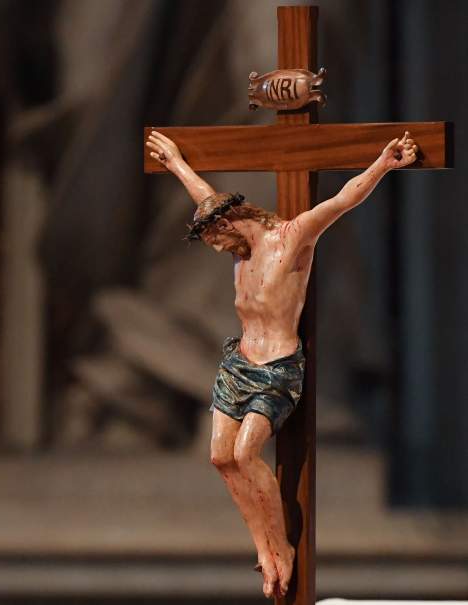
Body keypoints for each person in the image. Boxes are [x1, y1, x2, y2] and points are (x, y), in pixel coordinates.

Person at [146, 130, 418, 599]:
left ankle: (283, 549)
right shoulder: (239, 246)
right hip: (239, 363)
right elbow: (203, 195)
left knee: (247, 453)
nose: (216, 248)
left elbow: (341, 201)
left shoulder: (290, 239)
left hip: (276, 366)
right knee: (219, 456)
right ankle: (261, 545)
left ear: (233, 222)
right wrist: (174, 162)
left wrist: (383, 164)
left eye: (215, 238)